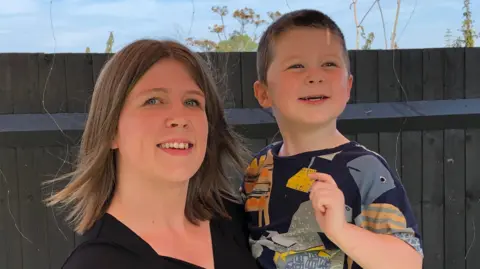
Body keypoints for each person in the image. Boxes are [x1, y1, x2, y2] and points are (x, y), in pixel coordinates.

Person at [44, 39, 260, 269]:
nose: (180, 117)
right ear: (110, 131)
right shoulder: (95, 264)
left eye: (192, 101)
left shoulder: (248, 223)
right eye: (153, 100)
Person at [240, 9, 424, 269]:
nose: (315, 76)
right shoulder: (259, 168)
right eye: (297, 66)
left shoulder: (365, 169)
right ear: (263, 93)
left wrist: (341, 230)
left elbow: (409, 262)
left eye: (329, 64)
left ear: (348, 87)